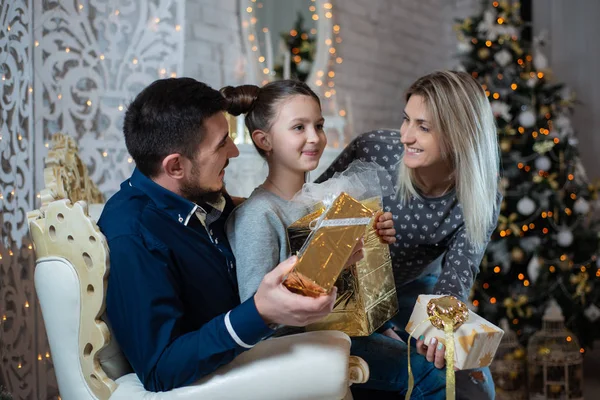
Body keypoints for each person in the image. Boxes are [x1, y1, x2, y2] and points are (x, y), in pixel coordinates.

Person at [98, 77, 348, 392]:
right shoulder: (134, 235)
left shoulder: (197, 193)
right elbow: (159, 368)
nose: (234, 151)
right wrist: (258, 313)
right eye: (221, 144)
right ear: (175, 166)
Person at [224, 79, 446, 399]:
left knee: (431, 359)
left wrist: (374, 246)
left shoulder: (321, 204)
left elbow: (349, 299)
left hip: (340, 333)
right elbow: (260, 319)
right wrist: (325, 265)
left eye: (318, 125)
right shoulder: (260, 216)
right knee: (430, 374)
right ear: (264, 139)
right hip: (298, 347)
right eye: (298, 127)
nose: (314, 137)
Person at [316, 70, 502, 399]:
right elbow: (315, 219)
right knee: (413, 370)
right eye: (406, 120)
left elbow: (458, 274)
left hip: (416, 289)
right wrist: (374, 318)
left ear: (460, 134)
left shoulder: (481, 195)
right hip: (352, 290)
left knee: (473, 385)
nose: (406, 136)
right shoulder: (374, 150)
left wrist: (443, 331)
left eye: (423, 127)